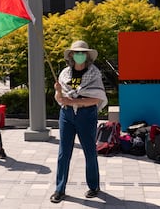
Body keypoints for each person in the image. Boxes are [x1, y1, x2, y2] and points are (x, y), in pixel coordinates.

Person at [50, 40, 108, 203]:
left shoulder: (94, 73)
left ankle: (94, 186)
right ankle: (59, 189)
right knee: (63, 153)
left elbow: (97, 98)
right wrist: (58, 92)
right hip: (66, 116)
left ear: (87, 56)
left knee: (89, 151)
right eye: (77, 53)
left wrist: (73, 102)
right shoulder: (63, 74)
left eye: (82, 53)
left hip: (86, 116)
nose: (80, 55)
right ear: (71, 56)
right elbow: (60, 99)